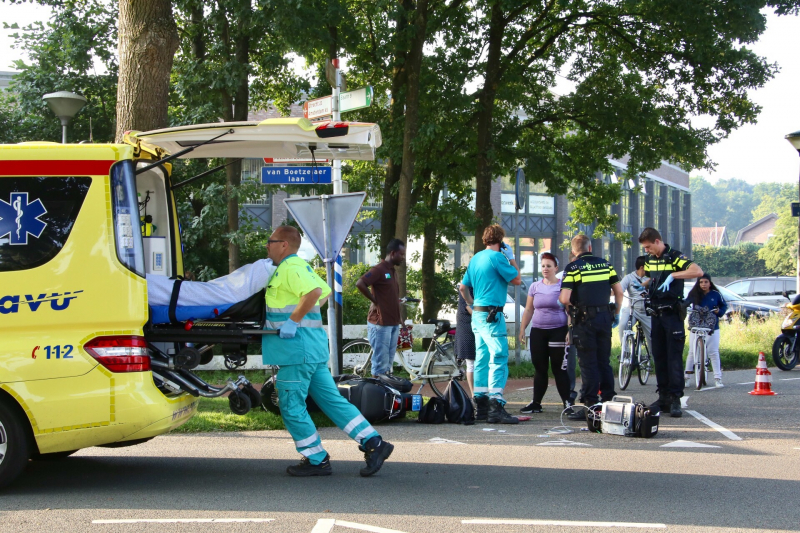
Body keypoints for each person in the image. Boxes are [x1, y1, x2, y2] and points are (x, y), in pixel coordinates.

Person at [263, 226, 394, 477]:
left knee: (291, 405)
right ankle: (374, 443)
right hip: (311, 349)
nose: (267, 246)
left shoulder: (290, 268)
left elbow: (313, 293)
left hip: (296, 352)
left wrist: (293, 321)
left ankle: (316, 459)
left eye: (271, 241)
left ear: (284, 245)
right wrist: (301, 317)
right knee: (333, 402)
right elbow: (324, 293)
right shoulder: (299, 267)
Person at [459, 224, 522, 424]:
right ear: (500, 240)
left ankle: (482, 408)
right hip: (492, 316)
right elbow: (517, 279)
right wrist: (510, 257)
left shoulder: (475, 258)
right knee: (499, 357)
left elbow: (462, 287)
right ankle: (496, 405)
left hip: (477, 315)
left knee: (482, 360)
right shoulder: (498, 258)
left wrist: (471, 303)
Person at [638, 227, 703, 418]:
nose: (647, 251)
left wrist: (674, 275)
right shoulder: (650, 259)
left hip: (671, 313)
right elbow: (653, 279)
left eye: (649, 247)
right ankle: (663, 397)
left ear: (658, 241)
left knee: (673, 357)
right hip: (656, 313)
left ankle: (675, 398)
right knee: (659, 356)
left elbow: (697, 271)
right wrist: (642, 285)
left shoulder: (675, 256)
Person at [558, 235, 623, 421]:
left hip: (584, 319)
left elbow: (564, 298)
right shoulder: (606, 264)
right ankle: (609, 400)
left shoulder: (573, 267)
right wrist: (615, 313)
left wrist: (572, 308)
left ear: (573, 251)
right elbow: (619, 292)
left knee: (588, 362)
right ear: (590, 247)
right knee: (604, 360)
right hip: (604, 317)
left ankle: (590, 405)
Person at [518, 252, 573, 414]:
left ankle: (567, 404)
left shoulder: (563, 286)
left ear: (556, 268)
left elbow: (569, 309)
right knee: (540, 368)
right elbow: (529, 309)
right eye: (543, 266)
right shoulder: (535, 286)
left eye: (549, 266)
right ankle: (536, 403)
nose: (545, 269)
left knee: (559, 369)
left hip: (558, 331)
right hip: (538, 332)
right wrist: (522, 328)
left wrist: (570, 330)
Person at [356, 239, 406, 376]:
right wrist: (375, 301)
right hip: (380, 323)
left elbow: (392, 298)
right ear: (393, 253)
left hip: (393, 322)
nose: (403, 257)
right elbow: (360, 283)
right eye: (401, 254)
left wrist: (400, 319)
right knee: (380, 364)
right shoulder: (379, 269)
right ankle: (377, 392)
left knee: (388, 363)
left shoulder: (392, 271)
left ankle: (386, 392)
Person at [685, 274, 727, 388]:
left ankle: (717, 378)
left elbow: (724, 306)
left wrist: (719, 311)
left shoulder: (716, 294)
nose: (703, 284)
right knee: (692, 352)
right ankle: (687, 377)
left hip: (712, 326)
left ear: (710, 283)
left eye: (706, 282)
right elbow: (686, 302)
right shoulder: (694, 294)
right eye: (701, 282)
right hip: (696, 325)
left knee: (713, 352)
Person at [618, 256, 652, 355]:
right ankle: (626, 352)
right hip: (632, 309)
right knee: (622, 325)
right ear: (642, 267)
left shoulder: (651, 278)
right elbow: (620, 289)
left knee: (652, 337)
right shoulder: (629, 277)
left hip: (647, 311)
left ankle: (653, 360)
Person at [455, 282, 476, 394]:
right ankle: (474, 394)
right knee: (471, 361)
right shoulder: (467, 286)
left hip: (476, 325)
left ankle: (480, 393)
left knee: (476, 362)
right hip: (467, 327)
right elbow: (469, 307)